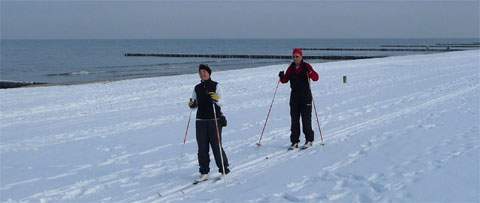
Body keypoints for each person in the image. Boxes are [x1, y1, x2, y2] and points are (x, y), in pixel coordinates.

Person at [188, 64, 230, 183]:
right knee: (202, 147)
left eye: (204, 72)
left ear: (209, 73)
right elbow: (193, 104)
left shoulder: (216, 85)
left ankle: (224, 169)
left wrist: (217, 99)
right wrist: (192, 104)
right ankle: (204, 171)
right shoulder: (196, 88)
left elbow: (222, 102)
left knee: (216, 145)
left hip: (214, 120)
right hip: (200, 120)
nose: (202, 74)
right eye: (200, 72)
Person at [278, 48, 319, 150]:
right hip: (294, 97)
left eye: (297, 56)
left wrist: (310, 72)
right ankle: (294, 142)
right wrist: (281, 76)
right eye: (294, 56)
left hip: (305, 97)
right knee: (294, 120)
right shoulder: (291, 67)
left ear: (301, 57)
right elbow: (285, 80)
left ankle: (309, 140)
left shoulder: (306, 66)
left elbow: (316, 77)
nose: (295, 58)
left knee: (306, 120)